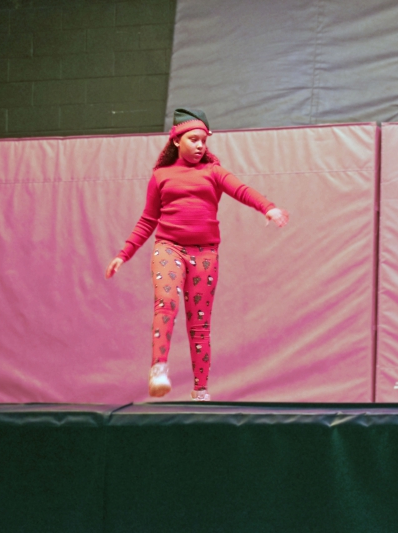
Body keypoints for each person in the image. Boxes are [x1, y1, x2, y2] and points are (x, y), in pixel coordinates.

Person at [105, 108, 289, 401]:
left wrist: (268, 207)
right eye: (193, 139)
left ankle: (201, 390)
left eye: (204, 140)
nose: (200, 145)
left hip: (205, 253)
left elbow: (241, 190)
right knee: (166, 303)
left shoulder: (214, 172)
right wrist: (123, 254)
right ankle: (158, 370)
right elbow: (147, 220)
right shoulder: (161, 175)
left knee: (199, 323)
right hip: (169, 247)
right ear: (177, 140)